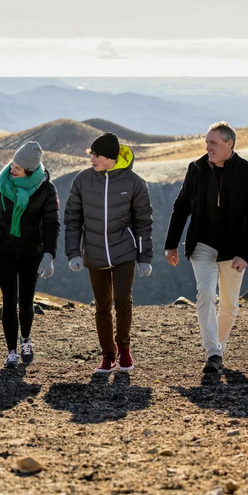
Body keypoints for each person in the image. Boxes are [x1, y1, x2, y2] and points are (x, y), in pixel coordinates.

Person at [164, 121, 248, 374]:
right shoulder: (196, 169)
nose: (207, 147)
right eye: (206, 142)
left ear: (229, 144)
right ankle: (213, 352)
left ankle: (217, 350)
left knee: (229, 304)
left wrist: (245, 254)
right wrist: (171, 244)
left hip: (234, 251)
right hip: (202, 246)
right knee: (206, 294)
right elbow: (181, 207)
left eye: (213, 143)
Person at [64, 132, 153, 373]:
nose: (92, 158)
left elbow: (143, 222)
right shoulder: (82, 180)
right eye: (91, 154)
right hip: (93, 252)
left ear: (111, 158)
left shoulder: (134, 182)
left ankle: (124, 348)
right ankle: (107, 354)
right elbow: (72, 218)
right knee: (102, 306)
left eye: (98, 155)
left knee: (123, 300)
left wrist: (144, 257)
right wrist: (73, 252)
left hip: (124, 250)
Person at [0, 141, 60, 368]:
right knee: (8, 300)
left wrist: (48, 255)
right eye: (12, 163)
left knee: (25, 302)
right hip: (3, 250)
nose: (12, 169)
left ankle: (26, 339)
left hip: (31, 253)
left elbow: (52, 224)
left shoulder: (46, 189)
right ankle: (11, 351)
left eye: (18, 167)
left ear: (30, 172)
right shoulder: (0, 185)